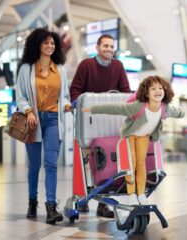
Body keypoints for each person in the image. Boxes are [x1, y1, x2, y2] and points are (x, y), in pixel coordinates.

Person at [81, 76, 184, 205]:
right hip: (130, 135)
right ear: (146, 93)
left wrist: (182, 114)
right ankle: (131, 194)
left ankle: (141, 194)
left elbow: (176, 112)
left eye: (160, 88)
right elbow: (115, 109)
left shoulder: (164, 108)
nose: (158, 91)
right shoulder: (138, 107)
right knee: (131, 164)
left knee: (141, 164)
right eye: (153, 88)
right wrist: (92, 109)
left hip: (144, 136)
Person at [70, 34, 131, 218]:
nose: (109, 49)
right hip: (89, 121)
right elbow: (75, 91)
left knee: (108, 162)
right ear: (97, 48)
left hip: (110, 121)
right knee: (88, 161)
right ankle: (82, 196)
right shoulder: (86, 65)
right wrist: (76, 104)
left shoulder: (118, 66)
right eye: (105, 46)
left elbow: (126, 92)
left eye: (112, 46)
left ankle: (103, 203)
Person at [15, 28, 71, 224]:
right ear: (37, 44)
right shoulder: (26, 69)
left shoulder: (61, 70)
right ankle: (32, 201)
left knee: (51, 164)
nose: (50, 46)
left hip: (54, 119)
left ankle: (51, 207)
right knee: (34, 166)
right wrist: (28, 111)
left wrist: (66, 104)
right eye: (46, 42)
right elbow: (20, 96)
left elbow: (64, 95)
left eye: (53, 43)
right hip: (33, 121)